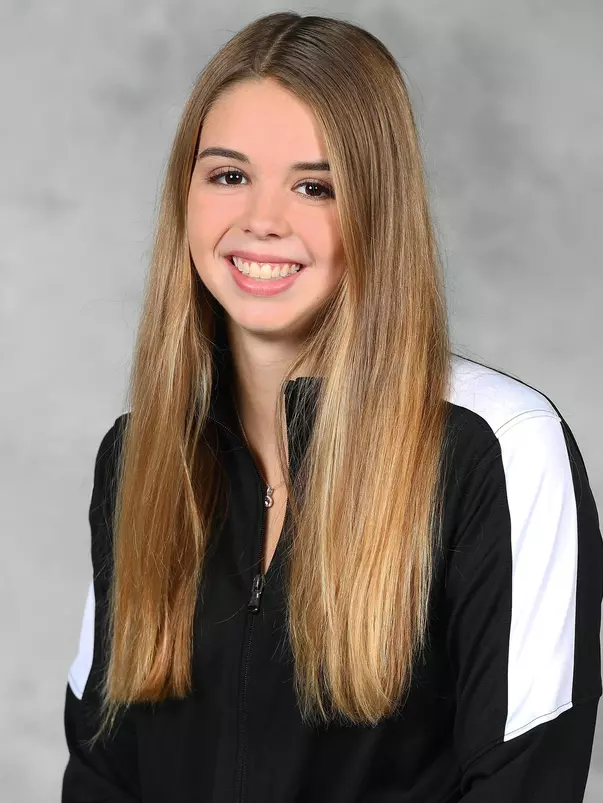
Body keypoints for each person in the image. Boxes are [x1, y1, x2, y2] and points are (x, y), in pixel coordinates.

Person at [61, 11, 603, 803]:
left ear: (376, 210)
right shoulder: (139, 456)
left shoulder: (500, 449)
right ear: (186, 196)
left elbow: (522, 779)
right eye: (228, 175)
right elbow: (103, 773)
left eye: (315, 186)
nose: (262, 221)